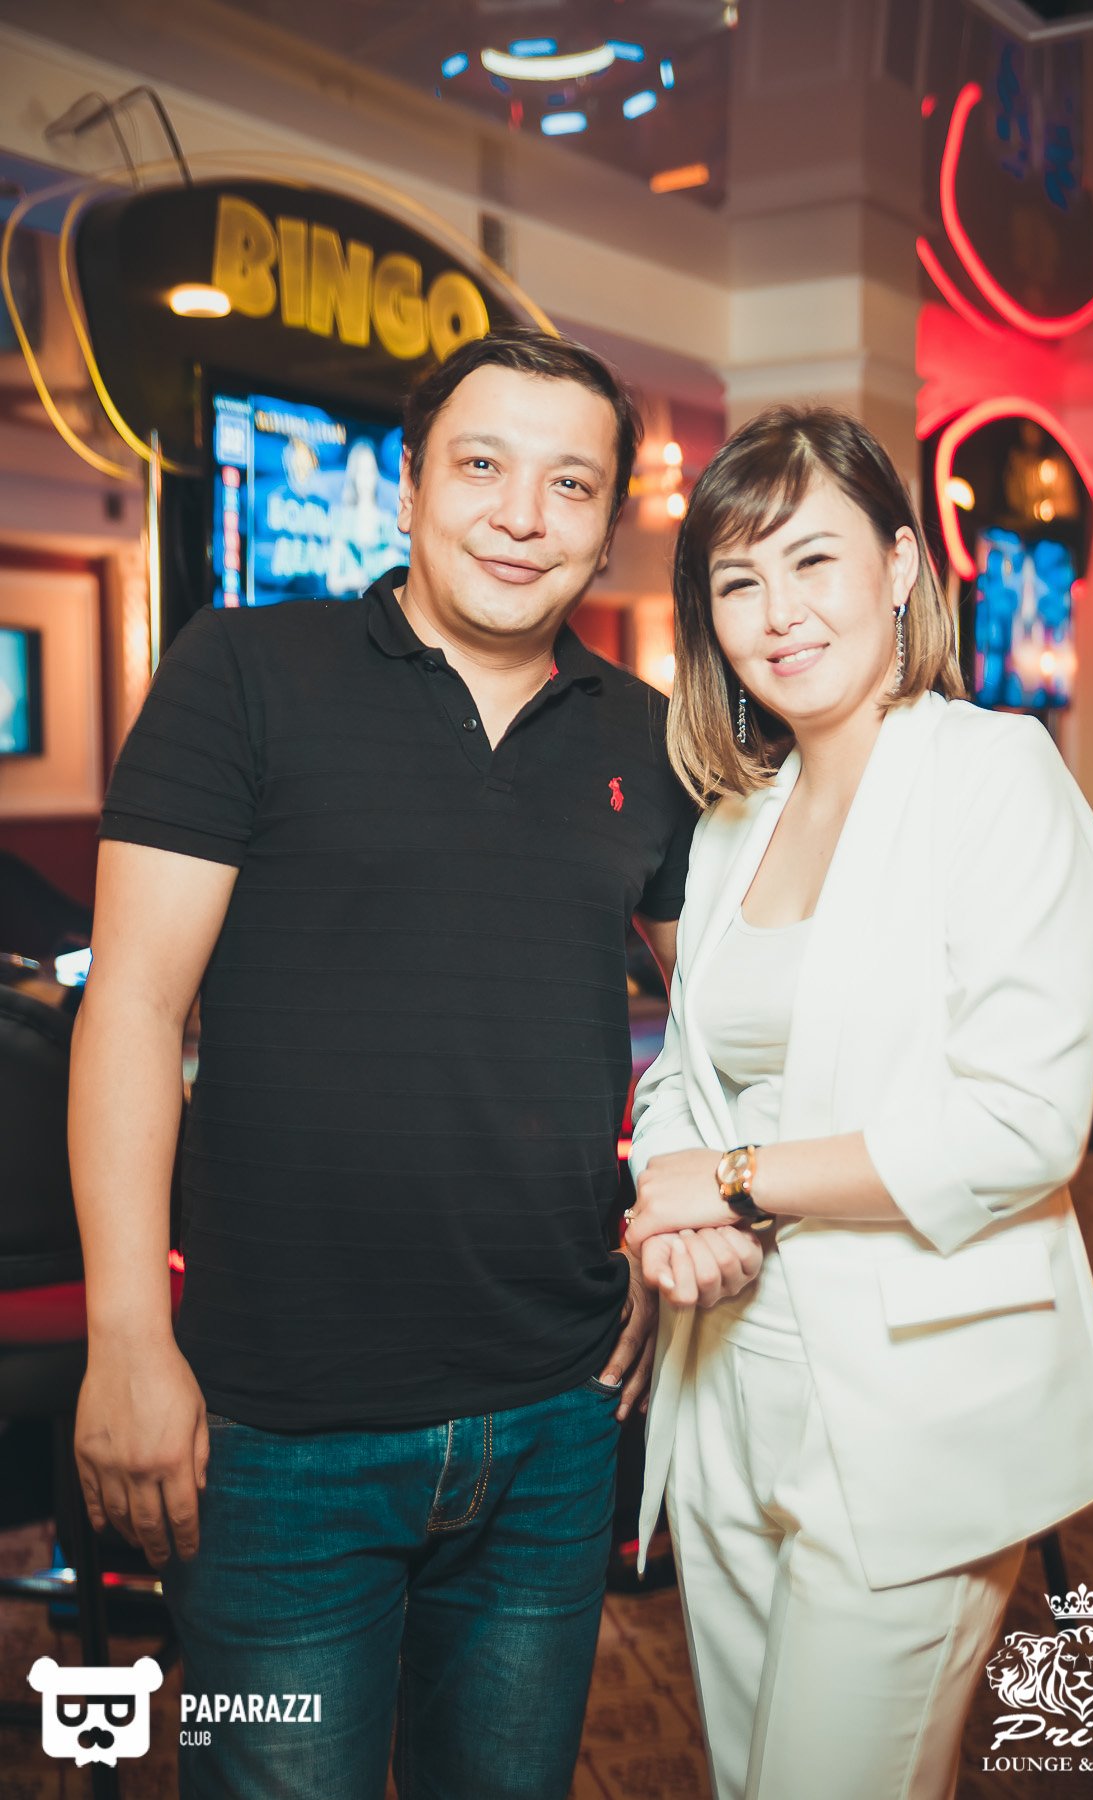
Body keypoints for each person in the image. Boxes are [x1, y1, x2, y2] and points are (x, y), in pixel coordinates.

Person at [68, 328, 760, 1800]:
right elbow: (129, 1006)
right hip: (278, 1432)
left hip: (558, 1412)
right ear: (409, 487)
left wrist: (676, 1211)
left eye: (570, 484)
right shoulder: (246, 671)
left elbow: (727, 1032)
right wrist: (127, 1333)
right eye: (483, 466)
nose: (523, 516)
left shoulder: (648, 737)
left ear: (608, 528)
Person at [623, 405, 1093, 1800]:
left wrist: (733, 1180)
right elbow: (686, 1070)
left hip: (919, 1397)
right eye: (738, 581)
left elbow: (1021, 1123)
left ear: (904, 565)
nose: (778, 614)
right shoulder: (733, 818)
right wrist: (682, 1210)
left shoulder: (993, 775)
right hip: (726, 1374)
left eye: (814, 561)